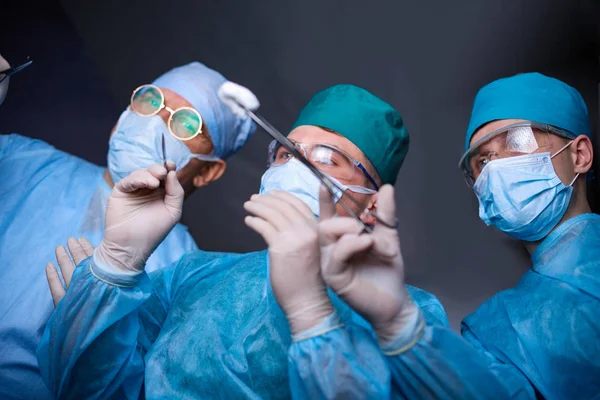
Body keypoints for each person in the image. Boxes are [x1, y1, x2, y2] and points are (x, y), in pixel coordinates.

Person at [38, 84, 450, 399]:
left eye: (327, 159)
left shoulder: (402, 310)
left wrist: (312, 312)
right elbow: (92, 392)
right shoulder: (194, 275)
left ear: (372, 205)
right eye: (287, 153)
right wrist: (114, 268)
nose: (297, 166)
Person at [283, 73, 599, 399]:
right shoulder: (498, 329)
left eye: (517, 142)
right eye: (482, 161)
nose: (495, 169)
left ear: (579, 155)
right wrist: (399, 327)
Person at [0, 62, 257, 400]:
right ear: (123, 119)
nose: (155, 123)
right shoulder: (20, 159)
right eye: (150, 102)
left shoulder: (186, 275)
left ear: (207, 173)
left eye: (185, 123)